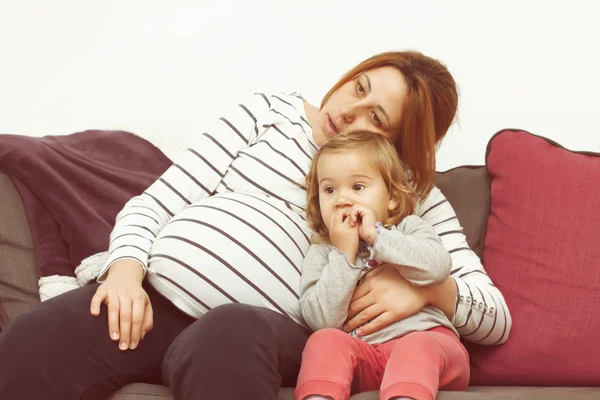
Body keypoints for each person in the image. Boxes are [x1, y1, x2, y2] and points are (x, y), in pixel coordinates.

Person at [0, 51, 511, 400]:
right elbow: (156, 201)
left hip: (262, 327)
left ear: (396, 146)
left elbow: (496, 317)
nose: (347, 110)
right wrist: (128, 269)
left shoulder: (411, 195)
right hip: (157, 297)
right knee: (31, 345)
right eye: (358, 87)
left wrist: (431, 292)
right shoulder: (270, 114)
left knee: (229, 332)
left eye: (374, 119)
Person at [294, 131, 470, 400]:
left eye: (358, 187)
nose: (342, 199)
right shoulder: (323, 252)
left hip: (431, 343)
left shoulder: (408, 228)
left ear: (391, 198)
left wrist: (378, 237)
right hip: (366, 356)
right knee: (323, 340)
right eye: (329, 189)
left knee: (416, 346)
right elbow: (321, 320)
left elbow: (437, 267)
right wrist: (344, 255)